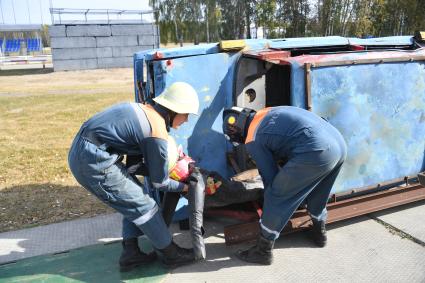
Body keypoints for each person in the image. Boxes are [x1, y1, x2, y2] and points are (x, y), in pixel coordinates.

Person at [68, 82, 199, 272]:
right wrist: (184, 187)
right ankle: (171, 255)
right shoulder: (157, 131)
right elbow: (159, 182)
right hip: (92, 161)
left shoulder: (144, 111)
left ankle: (131, 254)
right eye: (186, 114)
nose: (186, 120)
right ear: (173, 110)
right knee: (146, 205)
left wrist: (161, 169)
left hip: (85, 151)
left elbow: (133, 167)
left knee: (134, 196)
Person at [222, 106, 347, 265]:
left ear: (238, 133)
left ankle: (263, 250)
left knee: (276, 194)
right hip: (339, 144)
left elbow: (270, 178)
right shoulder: (268, 112)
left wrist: (269, 203)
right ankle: (319, 233)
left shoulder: (252, 138)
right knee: (319, 191)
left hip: (317, 149)